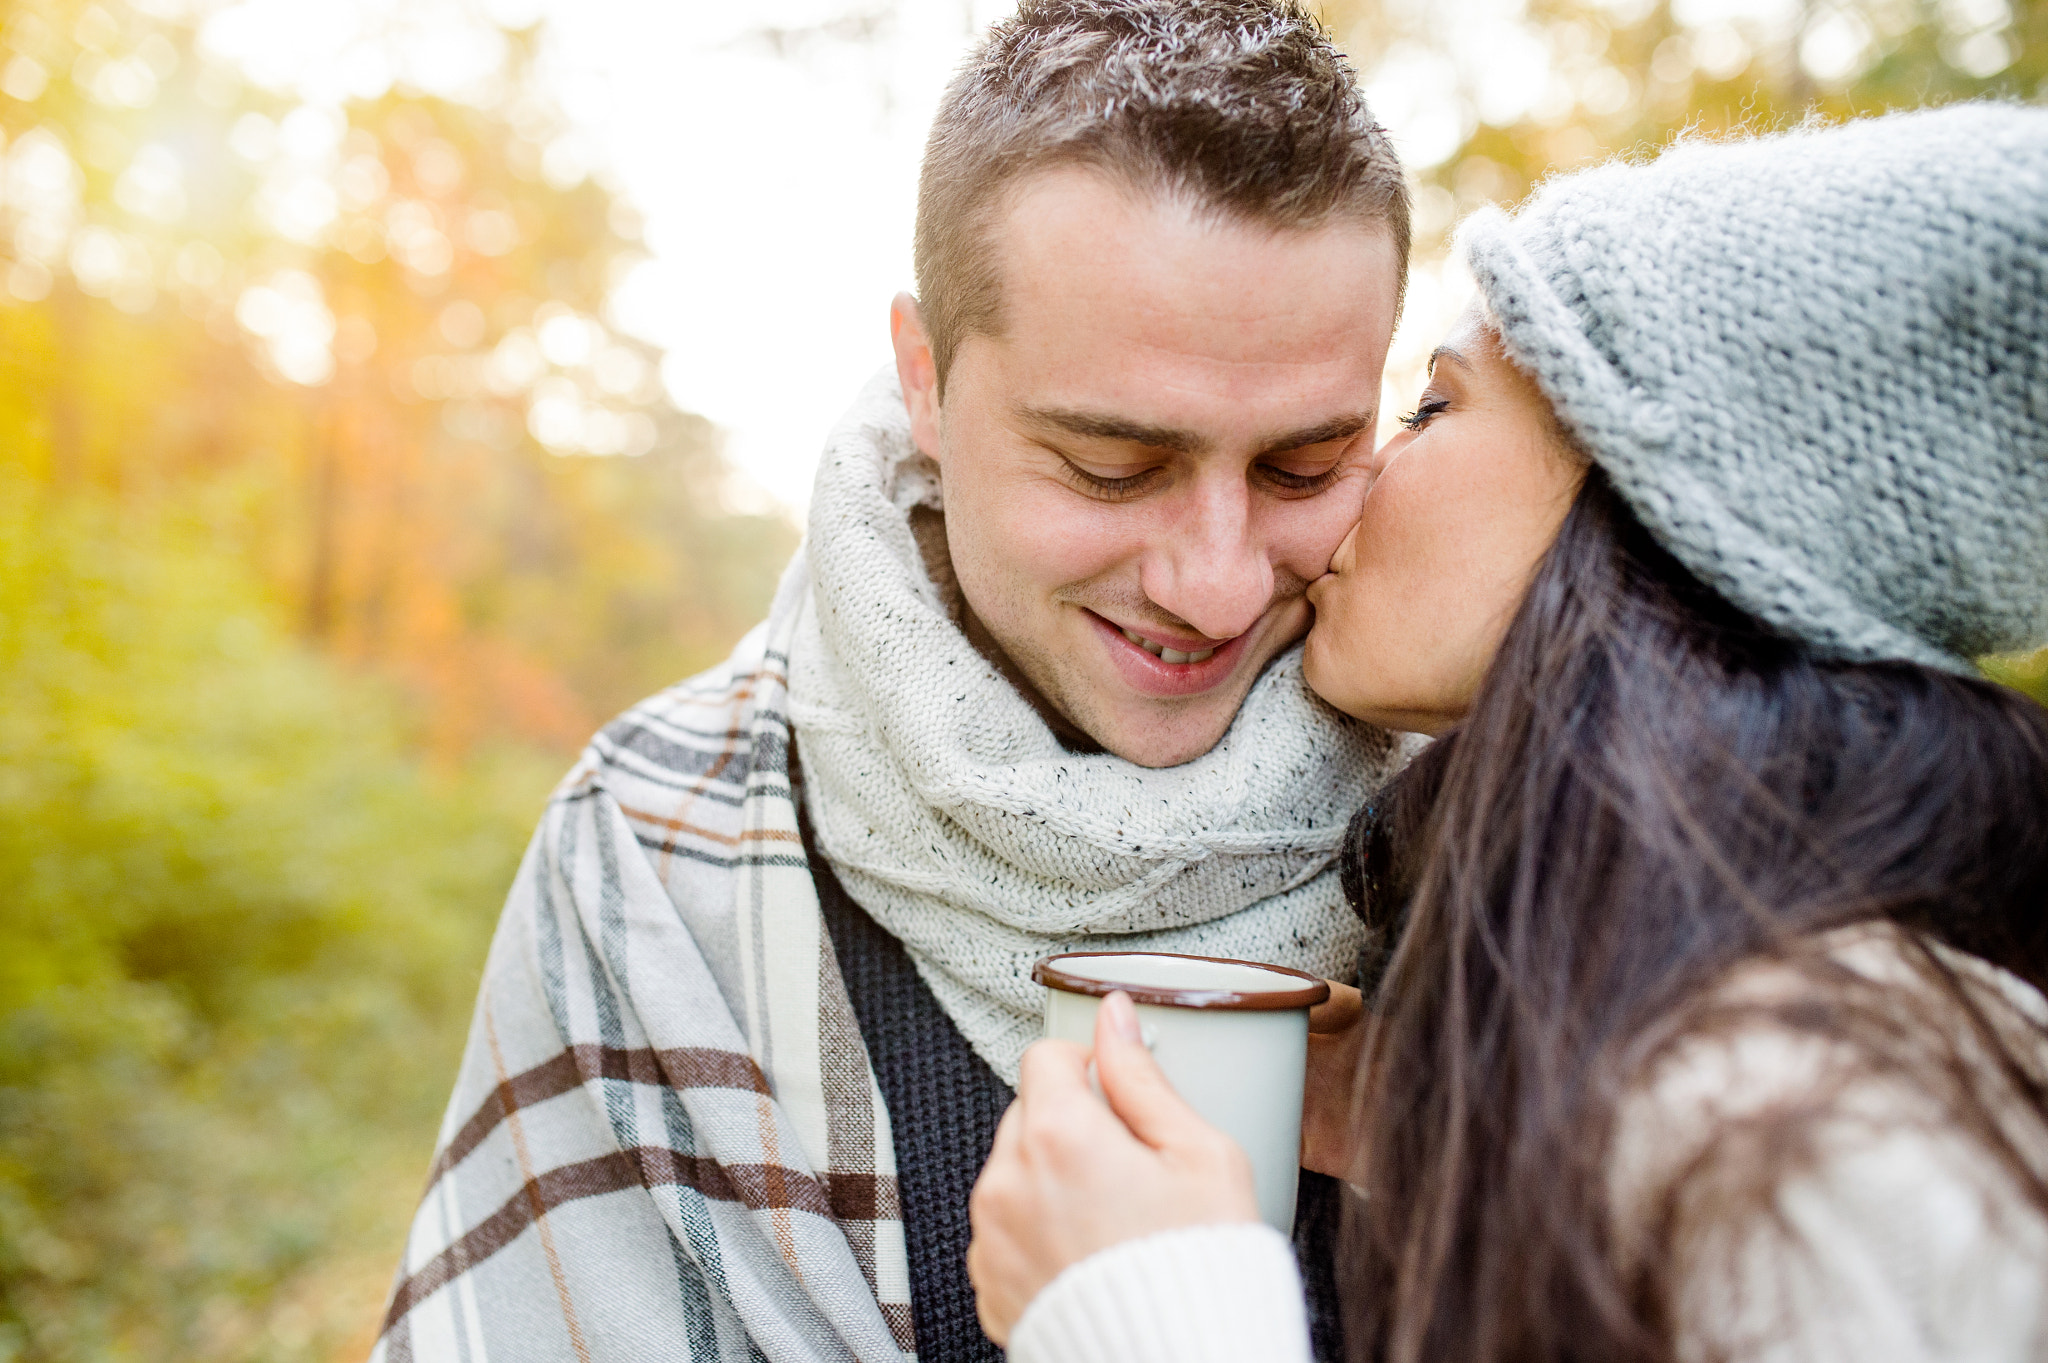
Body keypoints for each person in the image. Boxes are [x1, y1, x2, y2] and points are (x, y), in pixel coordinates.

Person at [371, 4, 1418, 1361]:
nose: (1214, 583)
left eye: (1302, 466)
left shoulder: (1534, 835)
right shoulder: (648, 849)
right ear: (927, 381)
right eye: (1111, 466)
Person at [966, 102, 2048, 1363]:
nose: (1361, 481)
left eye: (1431, 409)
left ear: (1651, 509)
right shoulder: (1735, 1051)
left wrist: (1157, 1313)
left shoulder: (1832, 1119)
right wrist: (1460, 1112)